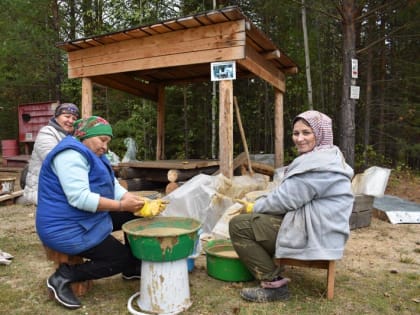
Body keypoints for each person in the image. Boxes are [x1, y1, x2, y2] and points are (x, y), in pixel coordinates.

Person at [35, 116, 167, 309]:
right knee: (118, 258)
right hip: (65, 227)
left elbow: (112, 185)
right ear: (85, 136)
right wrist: (121, 206)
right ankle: (63, 276)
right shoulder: (70, 155)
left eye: (108, 142)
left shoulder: (94, 154)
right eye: (102, 140)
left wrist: (130, 199)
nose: (105, 147)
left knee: (136, 214)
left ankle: (131, 268)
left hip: (84, 218)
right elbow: (80, 198)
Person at [229, 110, 354, 302]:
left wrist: (253, 207)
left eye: (306, 132)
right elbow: (290, 195)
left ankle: (273, 285)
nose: (299, 139)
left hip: (316, 234)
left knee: (239, 225)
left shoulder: (317, 165)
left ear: (320, 134)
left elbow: (284, 201)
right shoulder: (329, 156)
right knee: (262, 219)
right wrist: (262, 202)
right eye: (296, 133)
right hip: (326, 229)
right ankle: (273, 264)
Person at [23, 103, 80, 205]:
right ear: (56, 117)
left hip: (58, 189)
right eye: (66, 116)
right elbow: (54, 160)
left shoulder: (73, 137)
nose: (70, 121)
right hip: (42, 189)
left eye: (74, 118)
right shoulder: (47, 132)